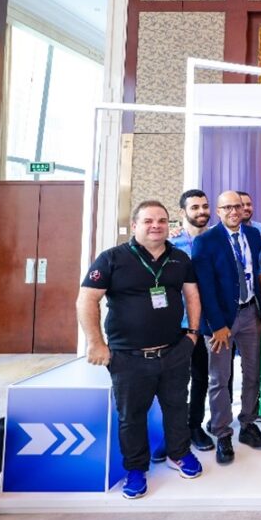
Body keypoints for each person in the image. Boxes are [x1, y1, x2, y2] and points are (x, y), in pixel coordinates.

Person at [77, 200, 203, 499]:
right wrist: (96, 343)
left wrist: (193, 334)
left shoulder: (179, 258)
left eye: (161, 220)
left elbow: (192, 296)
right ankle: (136, 469)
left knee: (177, 407)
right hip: (128, 357)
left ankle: (179, 453)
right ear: (135, 225)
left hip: (173, 351)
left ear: (169, 225)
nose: (155, 226)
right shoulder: (112, 258)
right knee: (132, 416)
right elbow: (87, 299)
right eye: (148, 221)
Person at [192, 190, 261, 466]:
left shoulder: (253, 235)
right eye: (227, 207)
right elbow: (205, 287)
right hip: (221, 321)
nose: (234, 211)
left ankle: (248, 423)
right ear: (218, 211)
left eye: (237, 206)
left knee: (253, 373)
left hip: (250, 313)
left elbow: (255, 275)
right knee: (219, 378)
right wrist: (217, 325)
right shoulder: (205, 241)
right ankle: (222, 432)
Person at [165, 189, 215, 454]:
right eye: (194, 207)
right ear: (182, 212)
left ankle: (195, 426)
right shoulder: (170, 243)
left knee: (201, 377)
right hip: (175, 323)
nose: (201, 211)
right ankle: (172, 433)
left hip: (206, 324)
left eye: (204, 206)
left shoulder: (217, 239)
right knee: (173, 380)